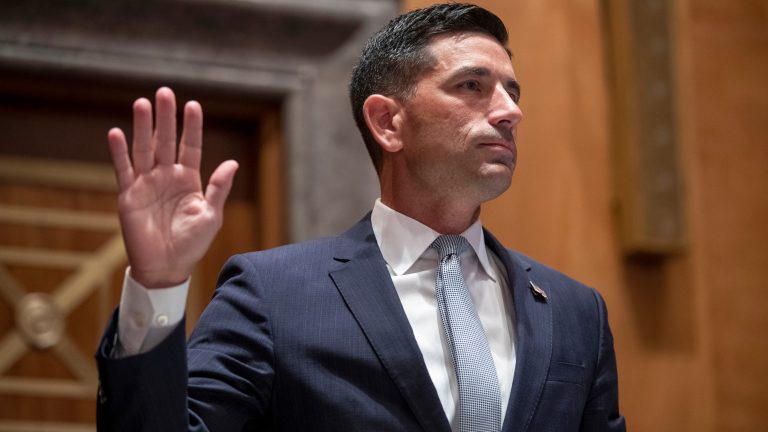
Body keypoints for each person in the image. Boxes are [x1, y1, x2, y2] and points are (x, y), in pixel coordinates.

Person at [95, 3, 625, 431]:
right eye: (472, 85)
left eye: (512, 90)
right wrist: (157, 284)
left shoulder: (575, 312)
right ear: (387, 122)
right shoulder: (274, 295)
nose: (510, 111)